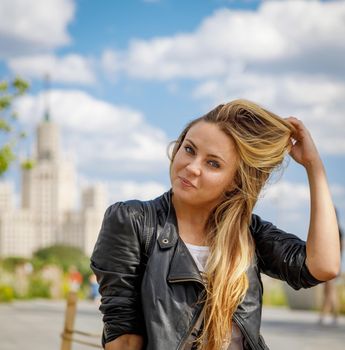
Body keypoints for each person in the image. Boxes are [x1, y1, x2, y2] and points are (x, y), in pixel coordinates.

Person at [91, 99, 340, 350]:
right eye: (189, 149)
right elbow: (123, 340)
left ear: (234, 181)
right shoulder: (133, 222)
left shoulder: (249, 232)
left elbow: (324, 266)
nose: (192, 167)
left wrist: (313, 166)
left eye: (213, 163)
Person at [319, 209, 343, 325]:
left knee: (329, 291)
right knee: (329, 291)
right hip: (333, 265)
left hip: (330, 265)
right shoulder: (338, 230)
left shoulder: (334, 230)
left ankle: (324, 315)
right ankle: (335, 316)